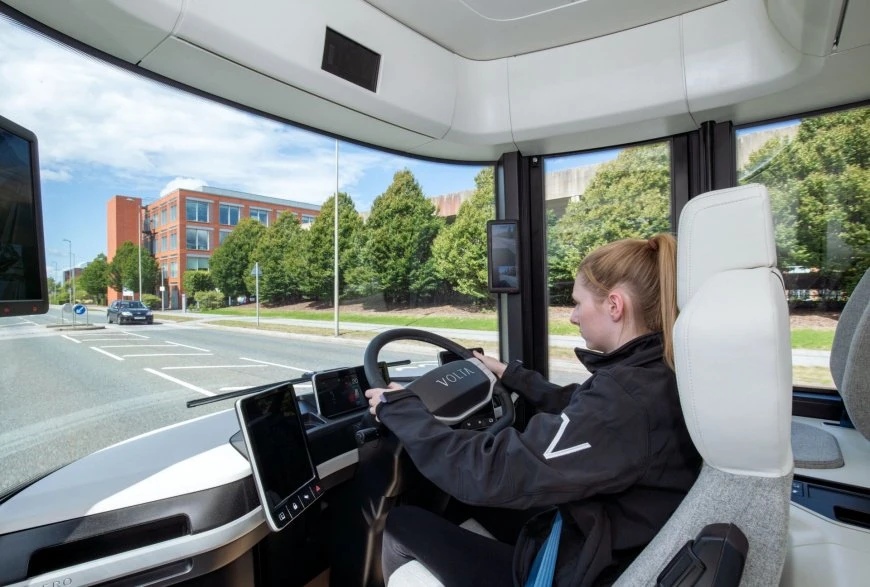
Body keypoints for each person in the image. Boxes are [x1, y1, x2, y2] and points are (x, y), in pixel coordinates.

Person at [365, 233, 701, 587]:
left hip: (583, 568)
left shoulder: (625, 400)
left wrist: (402, 410)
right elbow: (582, 409)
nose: (573, 317)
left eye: (577, 303)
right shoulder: (654, 373)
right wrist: (512, 375)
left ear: (615, 305)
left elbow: (486, 471)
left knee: (401, 524)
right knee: (463, 502)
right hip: (603, 536)